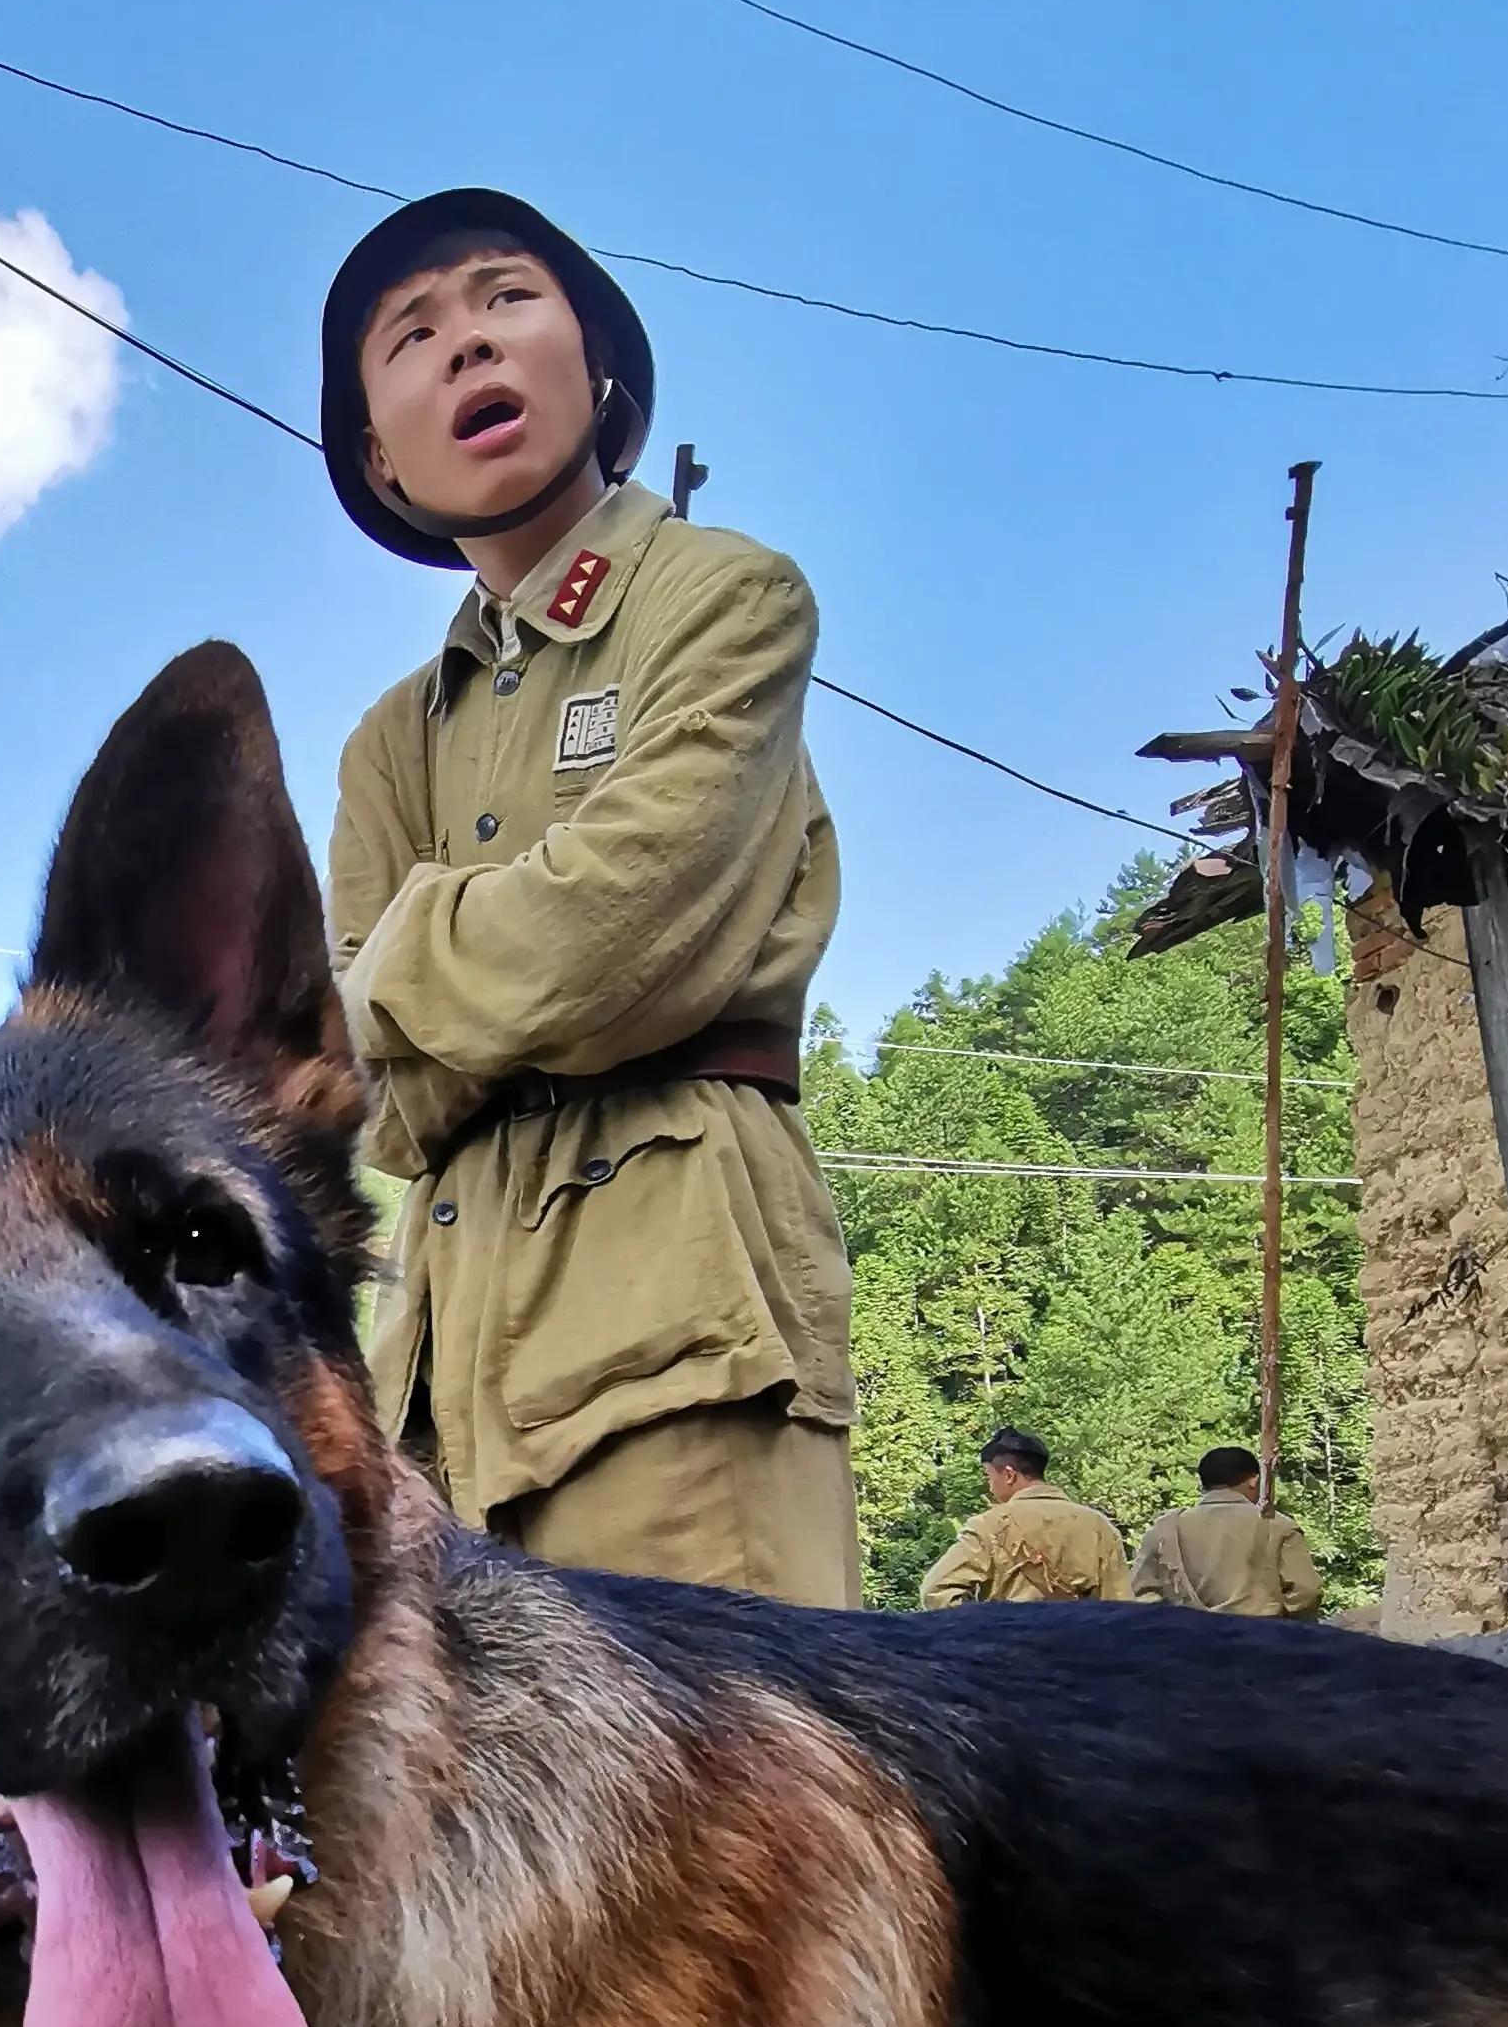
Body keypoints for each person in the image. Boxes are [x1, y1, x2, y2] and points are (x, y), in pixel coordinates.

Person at [322, 191, 857, 1604]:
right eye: (413, 335)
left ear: (596, 363)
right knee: (465, 1812)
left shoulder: (723, 598)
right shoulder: (390, 741)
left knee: (735, 1801)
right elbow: (359, 1097)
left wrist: (407, 964)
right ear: (382, 457)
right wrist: (451, 1001)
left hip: (678, 1307)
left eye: (508, 301)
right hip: (437, 1374)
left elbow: (628, 941)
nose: (466, 347)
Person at [918, 1425, 1129, 1607]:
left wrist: (982, 1631)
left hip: (1009, 1649)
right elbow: (1121, 1606)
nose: (990, 1487)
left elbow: (936, 1590)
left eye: (989, 1476)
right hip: (1082, 1650)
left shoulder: (988, 1525)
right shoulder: (1099, 1526)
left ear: (1009, 1475)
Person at [1132, 1445, 1327, 1619]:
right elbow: (1306, 1591)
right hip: (1262, 1644)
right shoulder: (1277, 1525)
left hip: (1188, 1646)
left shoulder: (1166, 1527)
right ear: (1253, 1480)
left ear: (1203, 1483)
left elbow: (1141, 1592)